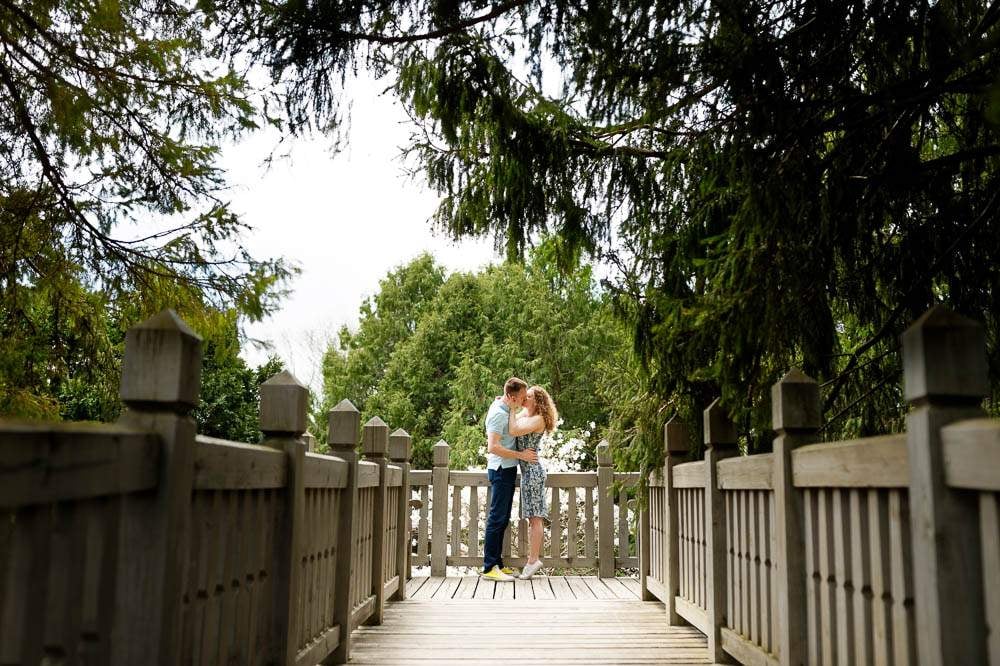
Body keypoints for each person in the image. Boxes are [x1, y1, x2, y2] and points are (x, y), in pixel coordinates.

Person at [482, 377, 538, 581]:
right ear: (510, 396)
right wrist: (522, 456)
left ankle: (497, 563)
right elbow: (493, 447)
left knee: (503, 518)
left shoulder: (506, 408)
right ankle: (489, 568)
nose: (524, 401)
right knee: (496, 519)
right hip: (500, 470)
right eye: (522, 398)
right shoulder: (498, 413)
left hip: (507, 469)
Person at [508, 384, 558, 579]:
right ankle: (532, 560)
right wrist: (506, 403)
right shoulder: (526, 416)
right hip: (527, 473)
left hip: (534, 473)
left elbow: (513, 430)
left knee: (535, 518)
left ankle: (533, 560)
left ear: (537, 401)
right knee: (532, 518)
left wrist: (512, 409)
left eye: (528, 396)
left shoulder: (538, 420)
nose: (524, 399)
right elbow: (509, 421)